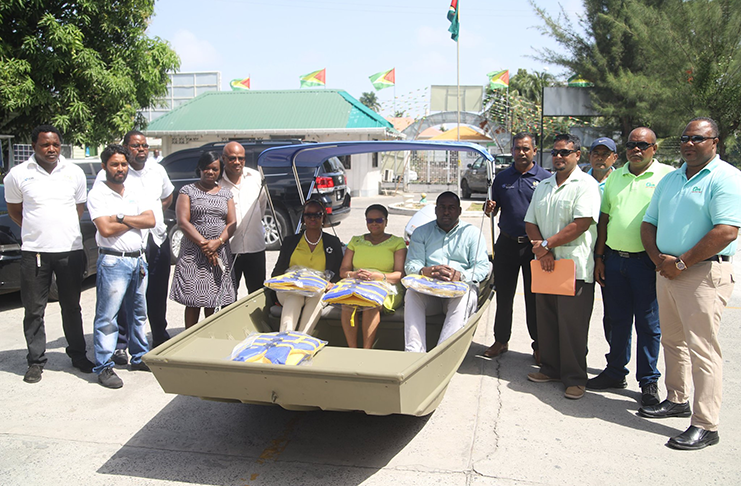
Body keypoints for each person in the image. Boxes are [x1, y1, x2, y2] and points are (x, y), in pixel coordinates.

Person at [639, 118, 741, 450]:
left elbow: (726, 231)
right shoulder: (671, 178)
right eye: (685, 138)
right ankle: (677, 398)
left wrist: (682, 262)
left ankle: (705, 424)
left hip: (700, 274)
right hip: (667, 270)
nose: (689, 143)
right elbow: (649, 222)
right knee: (672, 340)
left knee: (703, 350)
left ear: (715, 141)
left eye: (698, 138)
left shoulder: (726, 178)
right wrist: (659, 260)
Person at [588, 128, 674, 406]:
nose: (636, 149)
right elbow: (604, 220)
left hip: (646, 263)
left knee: (649, 325)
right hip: (614, 260)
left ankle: (648, 381)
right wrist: (600, 258)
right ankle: (615, 372)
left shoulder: (668, 176)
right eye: (631, 144)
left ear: (654, 148)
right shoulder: (616, 177)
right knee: (617, 320)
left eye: (642, 145)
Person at [4, 124, 94, 383]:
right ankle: (35, 361)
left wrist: (59, 231)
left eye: (55, 144)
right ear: (34, 147)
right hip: (34, 253)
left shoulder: (73, 172)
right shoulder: (18, 174)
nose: (51, 149)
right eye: (45, 145)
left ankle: (78, 355)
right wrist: (37, 230)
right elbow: (14, 210)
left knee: (71, 306)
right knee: (34, 309)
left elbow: (78, 208)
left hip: (70, 250)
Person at [524, 134, 601, 400]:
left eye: (565, 152)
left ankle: (575, 378)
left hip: (573, 266)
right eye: (555, 152)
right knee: (547, 320)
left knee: (572, 325)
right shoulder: (543, 185)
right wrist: (541, 248)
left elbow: (580, 224)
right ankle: (551, 368)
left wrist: (546, 245)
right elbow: (530, 220)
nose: (559, 157)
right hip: (545, 265)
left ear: (577, 155)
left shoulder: (586, 184)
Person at [100, 130, 174, 366]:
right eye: (135, 146)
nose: (141, 150)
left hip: (156, 237)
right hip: (130, 240)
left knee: (156, 291)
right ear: (125, 147)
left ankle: (159, 335)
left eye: (143, 145)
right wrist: (134, 221)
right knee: (125, 295)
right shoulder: (120, 172)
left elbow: (166, 197)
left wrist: (153, 215)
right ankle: (121, 344)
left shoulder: (157, 169)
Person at [87, 144, 155, 388]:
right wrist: (134, 221)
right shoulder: (98, 194)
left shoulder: (135, 190)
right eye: (115, 164)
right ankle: (104, 366)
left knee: (138, 313)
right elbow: (104, 228)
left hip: (138, 260)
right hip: (114, 260)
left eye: (124, 164)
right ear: (104, 166)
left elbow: (150, 220)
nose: (120, 168)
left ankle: (138, 356)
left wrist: (121, 217)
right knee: (108, 317)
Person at [481, 132, 550, 363]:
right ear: (512, 150)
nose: (522, 152)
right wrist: (488, 207)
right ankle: (501, 340)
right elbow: (492, 209)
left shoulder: (545, 178)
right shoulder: (502, 178)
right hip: (507, 244)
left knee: (535, 299)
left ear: (534, 150)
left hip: (534, 248)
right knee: (504, 297)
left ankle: (539, 345)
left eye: (526, 148)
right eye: (518, 148)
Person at [404, 191, 491, 353]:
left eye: (451, 208)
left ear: (459, 211)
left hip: (459, 292)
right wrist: (425, 270)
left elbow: (482, 267)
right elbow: (411, 265)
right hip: (431, 293)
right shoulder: (421, 232)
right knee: (412, 293)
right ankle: (414, 352)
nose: (446, 212)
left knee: (465, 295)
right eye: (442, 207)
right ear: (435, 210)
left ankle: (443, 353)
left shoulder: (472, 233)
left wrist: (461, 275)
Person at [170, 151, 237, 328]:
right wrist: (205, 245)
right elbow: (183, 222)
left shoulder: (226, 194)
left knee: (213, 298)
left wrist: (217, 243)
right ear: (199, 169)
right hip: (194, 253)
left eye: (214, 169)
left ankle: (209, 337)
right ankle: (189, 338)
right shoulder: (187, 191)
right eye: (206, 168)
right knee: (193, 300)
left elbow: (232, 222)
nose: (210, 172)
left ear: (220, 171)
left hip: (219, 252)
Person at [270, 199, 343, 334]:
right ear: (303, 218)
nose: (313, 218)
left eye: (317, 214)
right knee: (294, 297)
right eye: (308, 215)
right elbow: (276, 273)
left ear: (323, 217)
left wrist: (332, 284)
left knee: (318, 299)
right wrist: (291, 280)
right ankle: (285, 337)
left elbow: (339, 273)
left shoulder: (332, 242)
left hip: (318, 289)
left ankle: (302, 338)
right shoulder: (290, 242)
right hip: (290, 288)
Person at [338, 204, 406, 348]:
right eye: (370, 221)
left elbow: (399, 274)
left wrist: (378, 276)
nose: (374, 223)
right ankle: (352, 349)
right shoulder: (355, 241)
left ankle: (366, 350)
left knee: (370, 302)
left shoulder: (397, 242)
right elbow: (343, 271)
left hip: (386, 285)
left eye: (378, 220)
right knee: (347, 303)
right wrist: (354, 274)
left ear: (386, 222)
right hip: (357, 283)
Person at [219, 141, 268, 295]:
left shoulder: (255, 177)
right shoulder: (217, 182)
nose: (237, 162)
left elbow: (261, 206)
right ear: (224, 159)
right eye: (232, 158)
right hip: (229, 250)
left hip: (255, 247)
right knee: (227, 298)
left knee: (257, 295)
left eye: (241, 158)